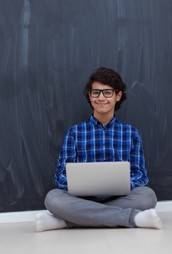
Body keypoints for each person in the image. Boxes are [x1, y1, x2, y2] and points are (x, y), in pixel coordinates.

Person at [36, 67, 162, 231]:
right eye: (96, 92)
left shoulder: (131, 133)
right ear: (90, 96)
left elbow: (141, 175)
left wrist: (122, 185)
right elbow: (60, 175)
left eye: (107, 93)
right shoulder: (74, 132)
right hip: (81, 199)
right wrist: (77, 186)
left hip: (119, 197)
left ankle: (66, 222)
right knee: (52, 198)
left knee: (148, 196)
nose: (101, 97)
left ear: (118, 96)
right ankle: (133, 218)